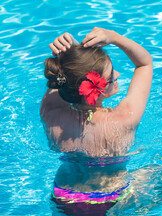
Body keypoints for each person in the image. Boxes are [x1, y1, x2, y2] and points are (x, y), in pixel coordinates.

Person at [41, 27, 153, 214]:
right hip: (110, 198)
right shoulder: (123, 118)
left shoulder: (51, 112)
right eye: (111, 77)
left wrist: (74, 56)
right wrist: (114, 37)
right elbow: (144, 64)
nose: (117, 75)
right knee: (160, 171)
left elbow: (66, 79)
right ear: (95, 90)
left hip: (63, 196)